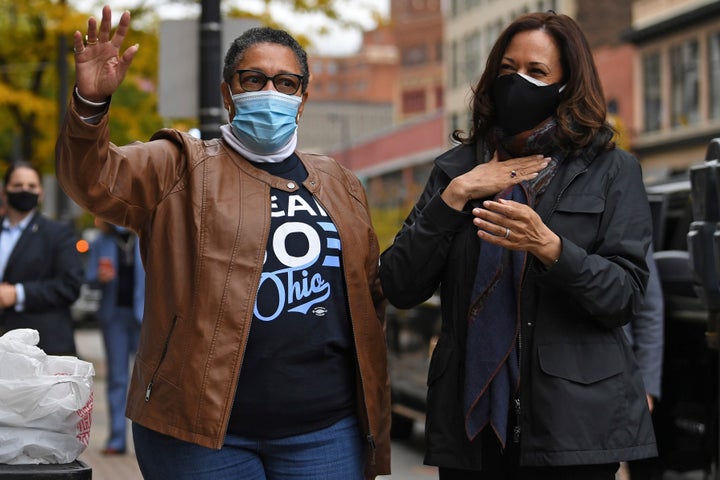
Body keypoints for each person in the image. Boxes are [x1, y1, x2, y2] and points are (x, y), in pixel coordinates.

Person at [55, 6, 390, 480]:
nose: (269, 92)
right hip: (200, 436)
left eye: (285, 82)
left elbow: (368, 296)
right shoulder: (178, 167)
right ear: (227, 93)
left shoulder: (341, 183)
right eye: (252, 79)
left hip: (325, 432)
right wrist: (89, 106)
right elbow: (91, 180)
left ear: (303, 96)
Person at [379, 11, 657, 480]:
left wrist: (549, 247)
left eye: (537, 72)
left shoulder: (612, 170)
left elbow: (624, 296)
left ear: (567, 85)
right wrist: (456, 196)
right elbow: (399, 284)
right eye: (507, 70)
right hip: (470, 429)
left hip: (573, 432)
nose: (517, 83)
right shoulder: (455, 169)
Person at [0, 162, 84, 356]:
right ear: (5, 192)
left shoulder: (58, 234)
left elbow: (70, 286)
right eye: (18, 185)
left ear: (41, 193)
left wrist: (18, 293)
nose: (25, 190)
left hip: (42, 348)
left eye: (31, 186)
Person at [85, 218, 145, 455]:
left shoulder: (146, 237)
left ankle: (146, 442)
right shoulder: (102, 241)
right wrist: (98, 276)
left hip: (145, 316)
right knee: (118, 379)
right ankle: (117, 438)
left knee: (146, 380)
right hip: (114, 317)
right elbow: (89, 277)